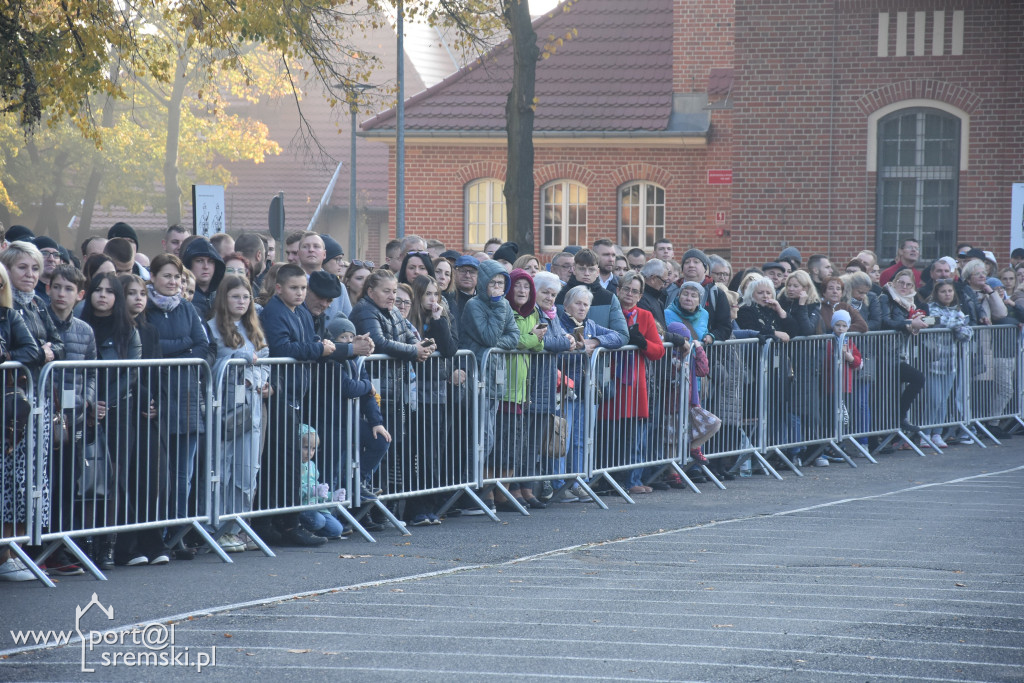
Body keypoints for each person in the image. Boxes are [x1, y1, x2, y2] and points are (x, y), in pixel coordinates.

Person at [257, 263, 335, 546]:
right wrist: (317, 349)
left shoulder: (301, 312)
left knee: (289, 460)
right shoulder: (274, 312)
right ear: (279, 288)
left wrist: (321, 344)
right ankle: (283, 523)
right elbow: (282, 349)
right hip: (278, 393)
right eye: (294, 288)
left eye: (303, 288)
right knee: (282, 461)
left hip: (295, 393)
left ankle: (284, 520)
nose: (300, 293)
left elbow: (309, 341)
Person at [143, 253, 210, 554]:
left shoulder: (188, 309)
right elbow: (150, 348)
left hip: (187, 399)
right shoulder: (144, 309)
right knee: (160, 477)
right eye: (167, 276)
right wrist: (184, 347)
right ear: (153, 278)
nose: (173, 282)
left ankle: (178, 535)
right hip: (157, 398)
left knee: (184, 476)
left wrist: (177, 352)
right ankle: (155, 535)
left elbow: (204, 346)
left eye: (177, 277)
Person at [350, 269, 433, 508]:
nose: (392, 296)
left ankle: (379, 507)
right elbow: (380, 343)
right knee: (378, 446)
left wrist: (422, 347)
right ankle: (367, 505)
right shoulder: (365, 310)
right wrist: (413, 351)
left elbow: (409, 338)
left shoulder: (394, 310)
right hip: (374, 391)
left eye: (394, 291)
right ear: (370, 291)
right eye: (386, 291)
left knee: (391, 447)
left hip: (395, 391)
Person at [80, 272, 143, 566]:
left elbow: (131, 371)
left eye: (109, 291)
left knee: (114, 480)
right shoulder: (81, 327)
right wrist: (91, 403)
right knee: (87, 480)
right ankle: (86, 543)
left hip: (118, 413)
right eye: (97, 290)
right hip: (84, 411)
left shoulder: (128, 330)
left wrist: (106, 403)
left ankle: (108, 545)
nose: (102, 295)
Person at [207, 275, 270, 553]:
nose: (241, 302)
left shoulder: (254, 328)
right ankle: (216, 528)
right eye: (235, 296)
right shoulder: (211, 329)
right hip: (225, 410)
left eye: (246, 297)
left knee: (248, 470)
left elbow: (265, 361)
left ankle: (238, 526)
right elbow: (208, 364)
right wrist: (235, 361)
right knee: (223, 468)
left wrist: (263, 382)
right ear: (224, 298)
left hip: (252, 409)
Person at [458, 260, 520, 508]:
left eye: (501, 283)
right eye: (493, 282)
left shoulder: (503, 304)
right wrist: (496, 306)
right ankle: (471, 489)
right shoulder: (475, 305)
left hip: (495, 377)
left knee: (489, 437)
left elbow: (514, 337)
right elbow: (490, 336)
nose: (497, 288)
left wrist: (499, 309)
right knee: (480, 436)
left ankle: (477, 487)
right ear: (484, 283)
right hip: (477, 377)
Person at [555, 285, 624, 501]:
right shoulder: (558, 323)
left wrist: (596, 342)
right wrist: (576, 349)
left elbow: (620, 336)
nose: (582, 308)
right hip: (565, 390)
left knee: (581, 440)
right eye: (578, 303)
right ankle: (558, 483)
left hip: (588, 390)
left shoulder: (591, 326)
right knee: (561, 440)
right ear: (566, 305)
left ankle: (578, 482)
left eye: (586, 304)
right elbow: (555, 352)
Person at [0, 260, 44, 582]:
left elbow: (34, 351)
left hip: (6, 413)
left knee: (11, 486)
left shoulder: (9, 316)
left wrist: (4, 359)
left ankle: (7, 554)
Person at [601, 272, 665, 494]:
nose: (629, 294)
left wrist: (641, 342)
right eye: (626, 289)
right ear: (618, 290)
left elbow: (658, 351)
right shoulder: (608, 311)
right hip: (609, 382)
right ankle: (609, 480)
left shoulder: (645, 316)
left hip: (634, 385)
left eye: (635, 291)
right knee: (609, 434)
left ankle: (632, 480)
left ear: (640, 295)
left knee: (635, 435)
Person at [877, 268, 928, 435]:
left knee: (913, 381)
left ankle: (898, 420)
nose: (904, 287)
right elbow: (885, 321)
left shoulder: (909, 302)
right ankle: (897, 420)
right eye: (901, 283)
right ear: (894, 282)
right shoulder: (886, 297)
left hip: (898, 354)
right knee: (884, 397)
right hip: (884, 355)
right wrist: (909, 323)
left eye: (908, 284)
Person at [921, 280, 972, 449]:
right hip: (933, 362)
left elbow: (967, 334)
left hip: (950, 364)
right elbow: (936, 321)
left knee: (943, 400)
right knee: (933, 400)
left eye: (950, 291)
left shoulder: (957, 310)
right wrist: (959, 324)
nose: (947, 294)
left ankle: (937, 433)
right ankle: (925, 433)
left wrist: (959, 325)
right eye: (943, 291)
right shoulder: (931, 308)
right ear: (937, 293)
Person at [554, 249, 628, 345]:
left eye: (591, 269)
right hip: (564, 358)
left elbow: (622, 335)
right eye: (582, 268)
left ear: (597, 272)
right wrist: (575, 346)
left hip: (598, 359)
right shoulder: (558, 296)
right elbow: (551, 333)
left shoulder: (609, 298)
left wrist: (595, 341)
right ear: (574, 269)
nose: (587, 273)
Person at [820, 310, 862, 467]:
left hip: (845, 386)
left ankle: (840, 443)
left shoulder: (849, 342)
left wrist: (848, 356)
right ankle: (831, 446)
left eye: (844, 326)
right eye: (837, 325)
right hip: (829, 386)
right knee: (831, 417)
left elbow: (857, 361)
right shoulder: (827, 341)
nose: (840, 329)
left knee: (843, 417)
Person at [294, 424, 345, 540]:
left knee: (337, 530)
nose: (310, 453)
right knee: (318, 521)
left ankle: (313, 532)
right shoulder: (293, 464)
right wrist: (312, 491)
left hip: (316, 506)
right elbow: (293, 492)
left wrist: (332, 496)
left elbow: (318, 491)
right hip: (301, 507)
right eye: (306, 447)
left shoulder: (312, 465)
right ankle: (302, 528)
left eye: (313, 449)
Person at [181, 237, 225, 320]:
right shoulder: (182, 296)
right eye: (199, 261)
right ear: (189, 264)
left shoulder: (223, 295)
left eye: (210, 261)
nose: (206, 266)